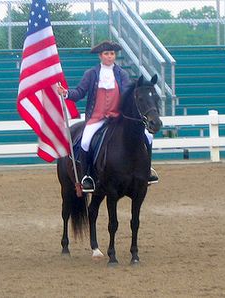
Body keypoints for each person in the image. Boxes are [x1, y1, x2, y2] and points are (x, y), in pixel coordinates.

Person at [57, 40, 158, 193]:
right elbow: (79, 92)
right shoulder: (91, 74)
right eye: (106, 54)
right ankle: (87, 176)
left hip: (117, 117)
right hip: (96, 117)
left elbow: (125, 93)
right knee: (85, 141)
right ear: (100, 56)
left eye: (112, 54)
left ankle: (147, 170)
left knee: (148, 136)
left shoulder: (121, 74)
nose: (110, 57)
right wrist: (66, 93)